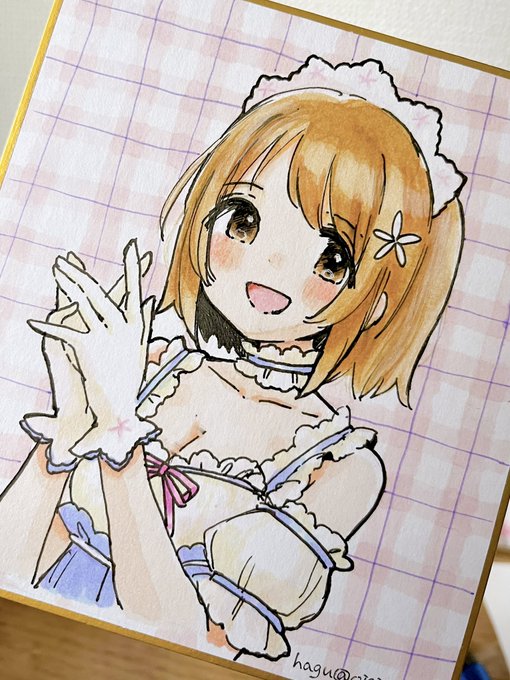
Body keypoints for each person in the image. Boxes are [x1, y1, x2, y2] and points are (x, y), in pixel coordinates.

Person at [0, 58, 464, 660]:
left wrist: (118, 439)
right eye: (244, 220)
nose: (271, 266)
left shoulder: (337, 466)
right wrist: (71, 423)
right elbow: (13, 568)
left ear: (378, 296)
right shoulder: (151, 368)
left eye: (332, 257)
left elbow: (192, 647)